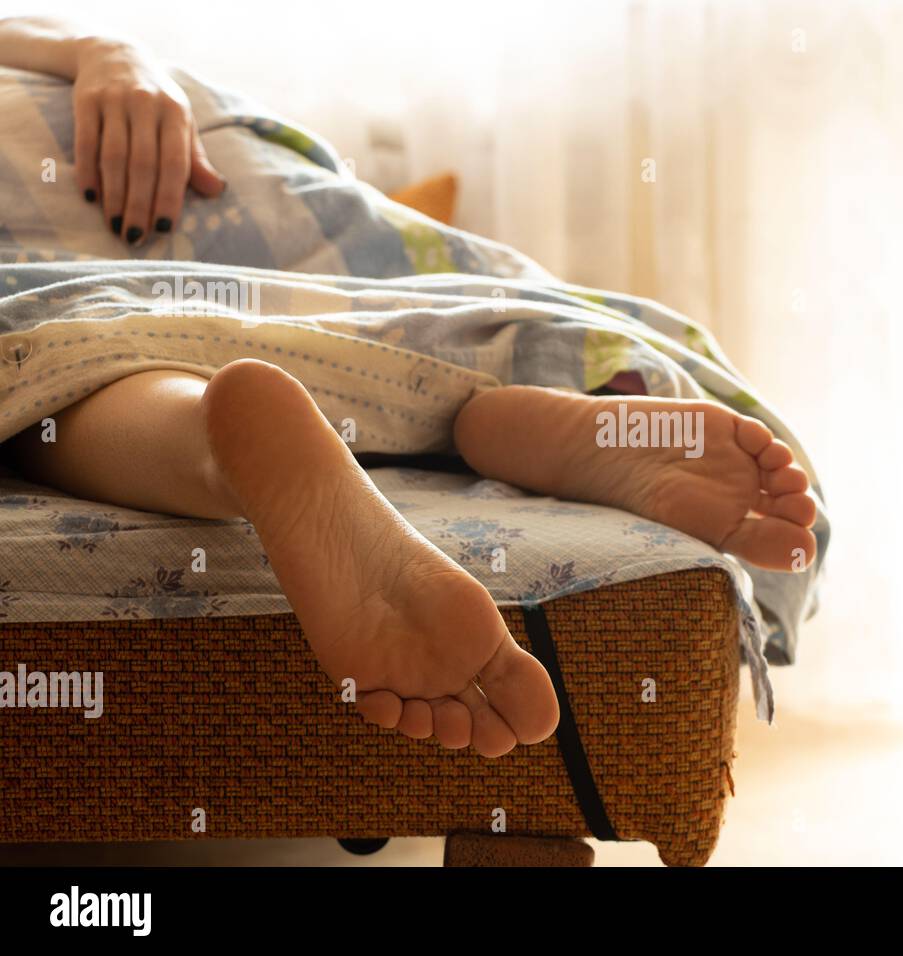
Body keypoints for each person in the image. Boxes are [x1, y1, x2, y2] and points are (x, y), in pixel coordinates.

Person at [0, 17, 817, 758]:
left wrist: (112, 56)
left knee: (49, 370)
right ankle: (485, 403)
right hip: (129, 139)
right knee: (379, 306)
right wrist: (111, 53)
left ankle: (220, 435)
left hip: (98, 145)